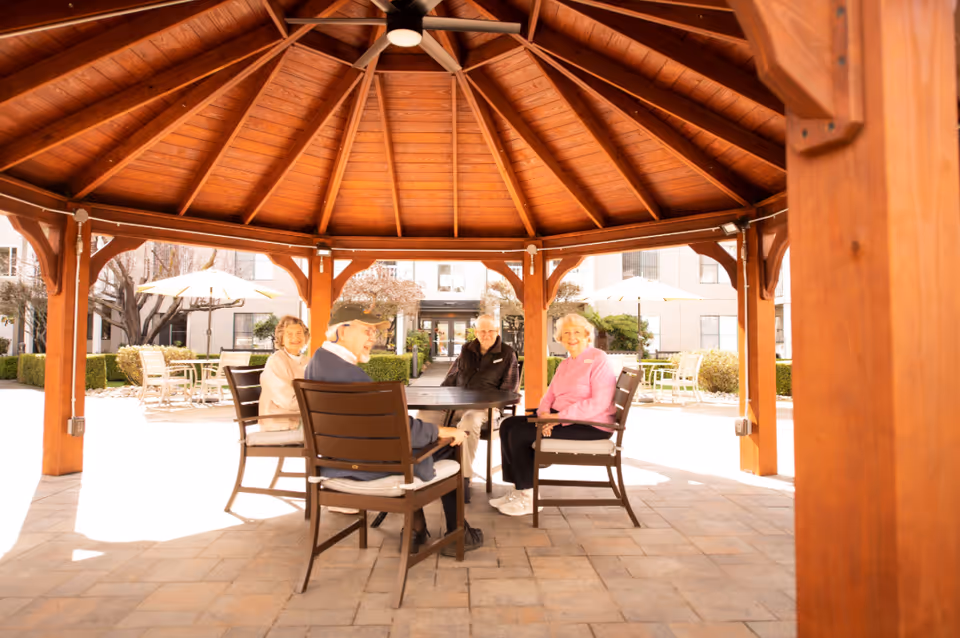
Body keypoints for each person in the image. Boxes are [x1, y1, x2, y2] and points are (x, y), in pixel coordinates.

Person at [304, 308, 485, 555]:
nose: (373, 338)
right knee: (450, 446)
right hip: (370, 470)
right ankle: (457, 533)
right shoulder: (350, 376)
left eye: (374, 332)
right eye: (366, 330)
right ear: (341, 331)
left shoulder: (317, 364)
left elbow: (383, 427)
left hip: (337, 465)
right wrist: (444, 431)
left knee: (415, 444)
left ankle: (415, 529)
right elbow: (399, 430)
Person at [492, 313, 617, 517]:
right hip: (563, 419)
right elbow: (549, 396)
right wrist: (544, 416)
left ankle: (529, 498)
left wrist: (556, 419)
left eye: (577, 332)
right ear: (560, 338)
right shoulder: (565, 364)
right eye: (566, 333)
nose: (571, 337)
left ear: (587, 335)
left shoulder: (598, 359)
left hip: (592, 425)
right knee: (508, 425)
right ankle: (518, 488)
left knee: (520, 433)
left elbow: (599, 403)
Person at [427, 314, 519, 502]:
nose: (487, 335)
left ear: (497, 331)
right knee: (424, 415)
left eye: (491, 331)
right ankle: (424, 470)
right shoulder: (466, 349)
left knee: (469, 420)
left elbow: (509, 390)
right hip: (458, 403)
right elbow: (452, 376)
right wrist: (442, 399)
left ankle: (464, 478)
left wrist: (489, 404)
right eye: (482, 331)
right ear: (476, 332)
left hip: (486, 409)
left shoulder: (508, 354)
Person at [259, 316, 309, 431]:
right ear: (281, 339)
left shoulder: (307, 361)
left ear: (305, 337)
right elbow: (287, 402)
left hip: (302, 417)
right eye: (289, 334)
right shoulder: (276, 361)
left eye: (299, 333)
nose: (295, 337)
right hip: (280, 421)